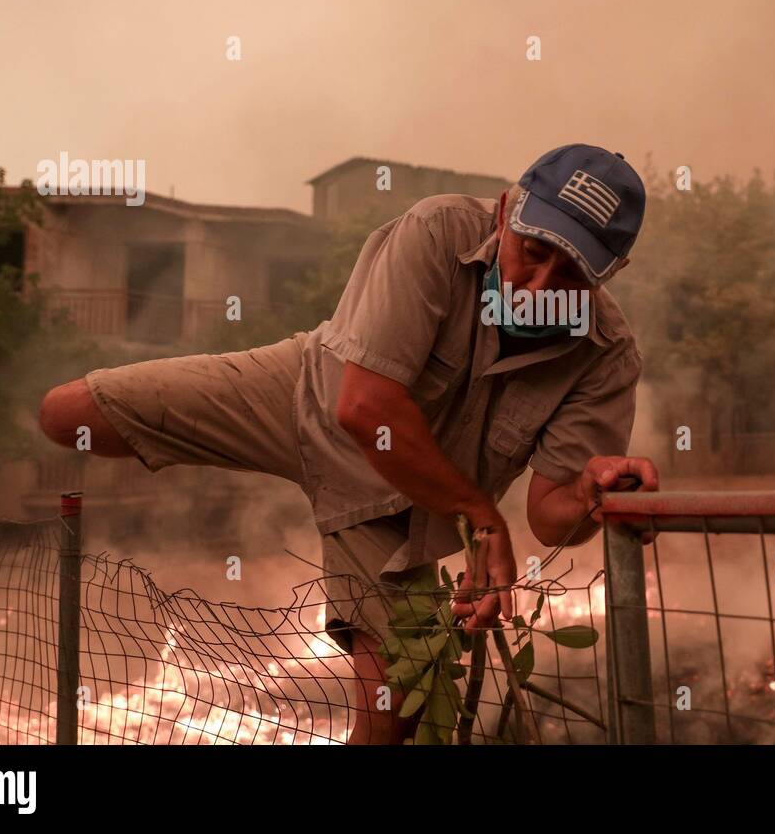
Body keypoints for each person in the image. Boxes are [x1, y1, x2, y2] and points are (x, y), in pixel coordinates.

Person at [38, 143, 660, 743]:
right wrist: (480, 517)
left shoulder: (604, 358)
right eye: (532, 251)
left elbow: (551, 519)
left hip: (402, 509)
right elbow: (364, 407)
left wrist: (590, 491)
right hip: (306, 394)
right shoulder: (437, 231)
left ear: (610, 275)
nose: (538, 286)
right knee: (66, 414)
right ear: (505, 212)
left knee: (394, 712)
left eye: (572, 272)